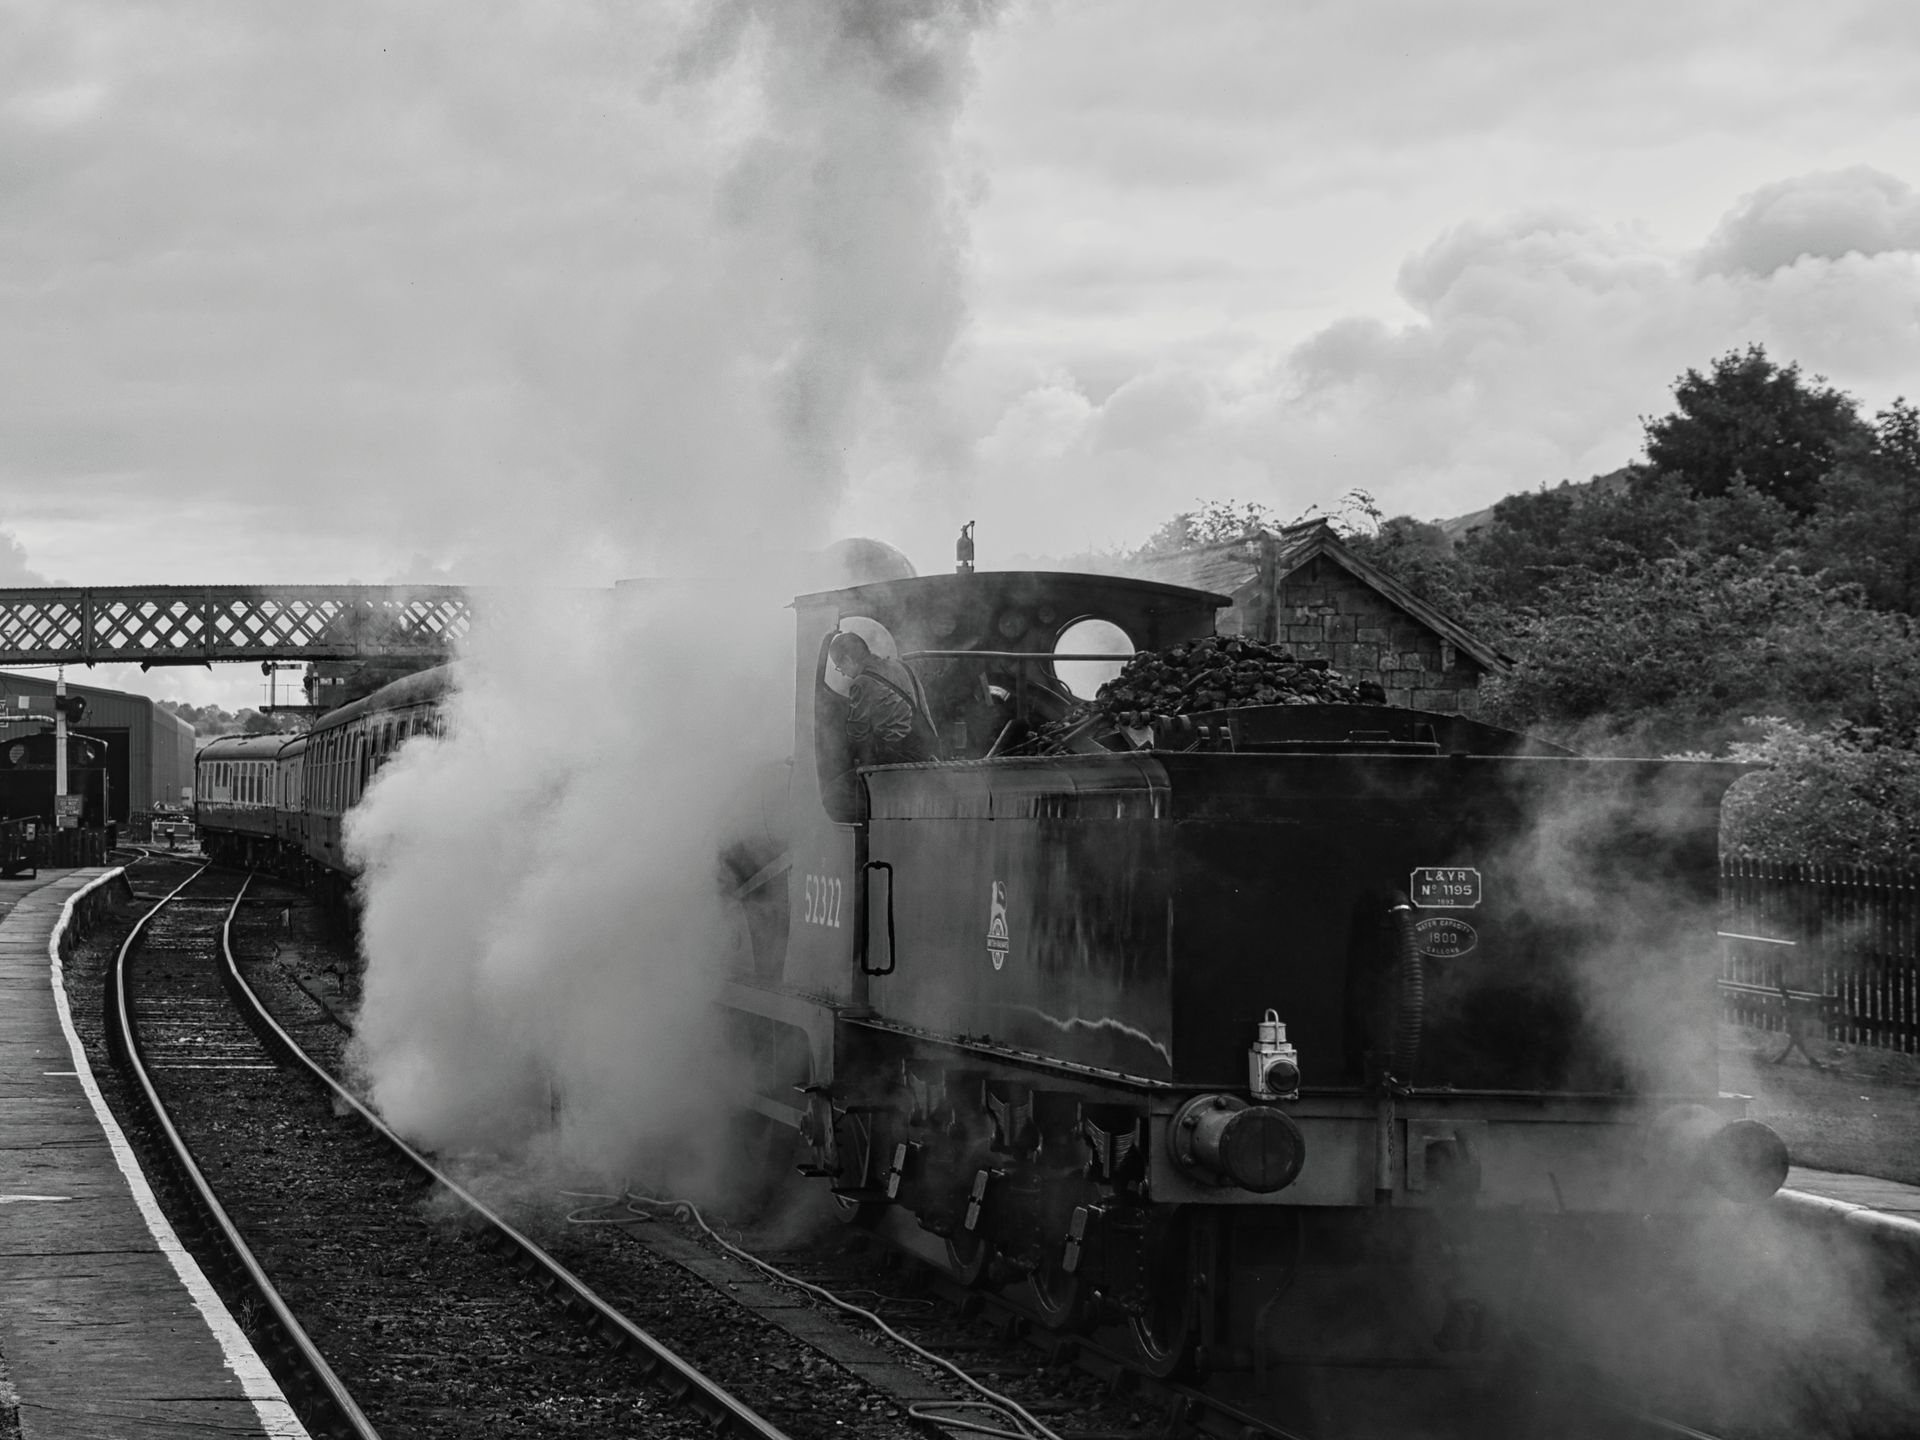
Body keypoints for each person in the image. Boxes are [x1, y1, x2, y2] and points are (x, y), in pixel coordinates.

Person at [829, 631, 938, 766]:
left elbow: (857, 733)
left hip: (900, 757)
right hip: (928, 748)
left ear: (847, 660)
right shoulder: (901, 666)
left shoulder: (862, 682)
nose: (843, 674)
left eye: (839, 667)